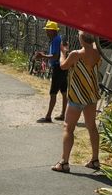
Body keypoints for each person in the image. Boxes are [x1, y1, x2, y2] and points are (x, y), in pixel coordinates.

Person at [52, 30, 102, 173]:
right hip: (91, 95)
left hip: (77, 96)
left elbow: (63, 66)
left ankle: (64, 162)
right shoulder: (98, 53)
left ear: (81, 38)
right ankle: (95, 160)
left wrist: (63, 52)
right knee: (92, 127)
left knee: (68, 128)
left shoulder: (76, 54)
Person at [35, 23, 68, 123]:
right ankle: (63, 114)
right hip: (62, 68)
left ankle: (48, 116)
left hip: (58, 68)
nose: (46, 31)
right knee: (64, 92)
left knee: (53, 93)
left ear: (53, 31)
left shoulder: (56, 40)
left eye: (48, 29)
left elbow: (55, 56)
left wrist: (42, 56)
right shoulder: (57, 39)